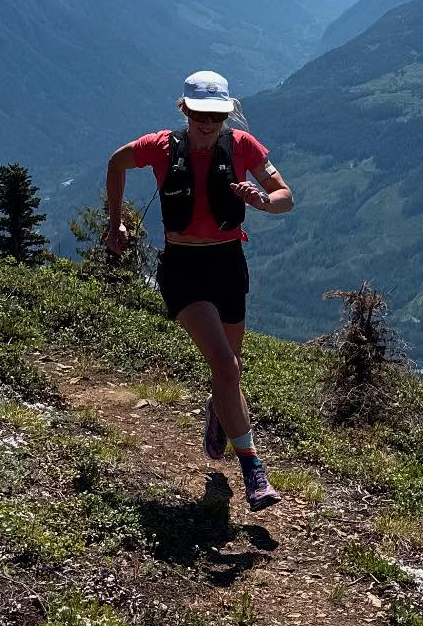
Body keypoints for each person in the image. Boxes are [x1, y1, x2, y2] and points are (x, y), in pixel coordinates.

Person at [103, 69, 294, 511]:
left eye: (217, 115)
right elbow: (116, 162)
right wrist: (116, 221)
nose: (208, 123)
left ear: (228, 114)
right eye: (200, 114)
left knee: (231, 369)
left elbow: (286, 195)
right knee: (227, 367)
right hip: (184, 268)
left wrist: (263, 202)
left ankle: (218, 410)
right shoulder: (160, 147)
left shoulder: (244, 147)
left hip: (229, 265)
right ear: (185, 110)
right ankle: (252, 468)